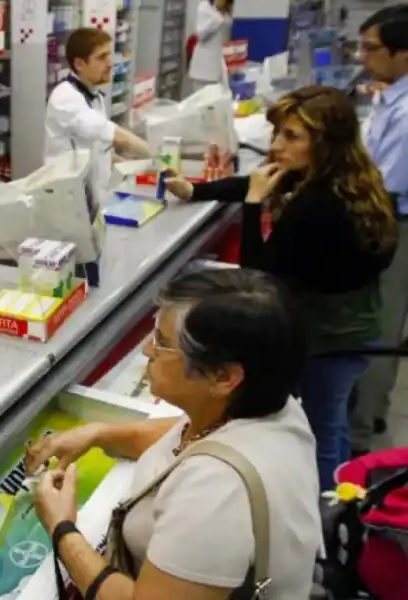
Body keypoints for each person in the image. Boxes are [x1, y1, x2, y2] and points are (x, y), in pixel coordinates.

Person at [27, 268, 321, 600]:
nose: (146, 350)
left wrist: (62, 529)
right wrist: (100, 433)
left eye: (163, 343)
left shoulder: (215, 495)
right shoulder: (271, 407)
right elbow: (193, 439)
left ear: (224, 378)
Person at [164, 85, 396, 490]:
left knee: (322, 432)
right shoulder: (350, 177)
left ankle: (328, 516)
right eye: (277, 134)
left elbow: (257, 279)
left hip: (330, 342)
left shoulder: (315, 206)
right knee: (334, 421)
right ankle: (344, 493)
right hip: (356, 331)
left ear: (322, 143)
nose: (276, 146)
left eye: (291, 137)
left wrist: (254, 206)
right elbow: (261, 180)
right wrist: (197, 189)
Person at [351, 4, 408, 455]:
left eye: (371, 49)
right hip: (380, 221)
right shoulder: (387, 99)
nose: (361, 56)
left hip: (394, 228)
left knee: (379, 330)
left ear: (403, 54)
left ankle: (364, 440)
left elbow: (382, 186)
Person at [44, 27, 150, 208]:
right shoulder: (66, 98)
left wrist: (131, 166)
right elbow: (118, 137)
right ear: (79, 64)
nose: (110, 63)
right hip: (69, 202)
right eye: (101, 58)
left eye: (109, 55)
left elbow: (101, 147)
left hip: (92, 198)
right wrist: (162, 157)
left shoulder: (95, 96)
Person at [189, 0, 234, 92]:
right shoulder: (204, 7)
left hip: (219, 67)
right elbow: (201, 35)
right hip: (203, 68)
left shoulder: (226, 9)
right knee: (202, 103)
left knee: (218, 102)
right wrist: (218, 13)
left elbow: (226, 37)